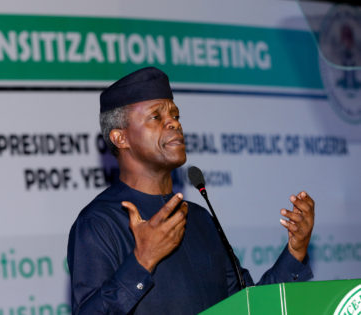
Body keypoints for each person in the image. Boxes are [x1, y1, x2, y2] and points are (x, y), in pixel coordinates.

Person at [67, 67, 315, 314]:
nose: (174, 122)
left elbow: (248, 307)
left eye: (175, 115)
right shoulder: (99, 222)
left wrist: (295, 250)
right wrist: (142, 261)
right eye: (156, 117)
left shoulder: (199, 218)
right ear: (121, 138)